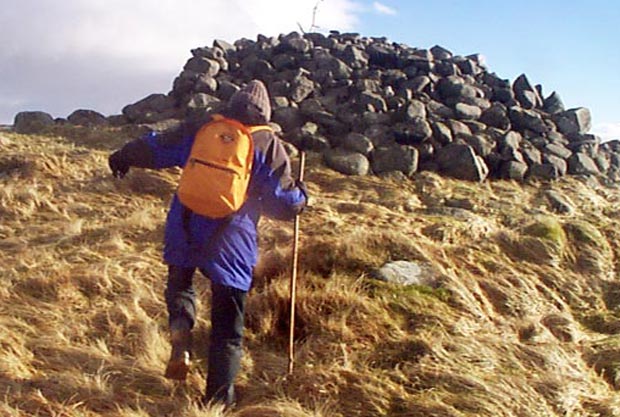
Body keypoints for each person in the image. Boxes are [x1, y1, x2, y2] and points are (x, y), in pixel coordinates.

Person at [107, 80, 307, 406]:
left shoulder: (202, 129)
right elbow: (283, 204)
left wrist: (122, 157)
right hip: (232, 239)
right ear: (265, 114)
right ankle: (216, 403)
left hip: (184, 224)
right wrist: (302, 197)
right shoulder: (267, 145)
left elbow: (156, 147)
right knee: (227, 329)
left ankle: (181, 338)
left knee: (181, 286)